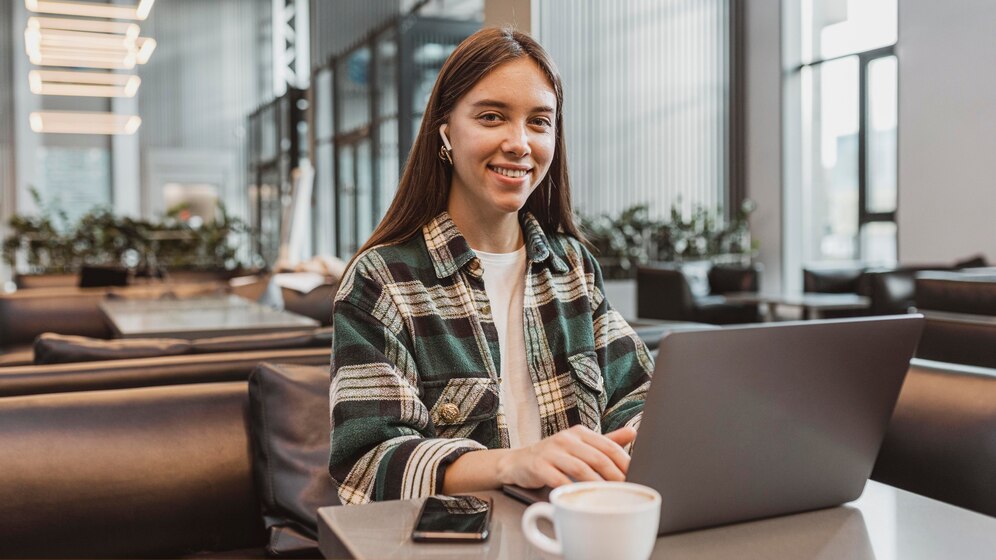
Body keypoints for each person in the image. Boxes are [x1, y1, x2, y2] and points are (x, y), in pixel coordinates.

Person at [329, 27, 653, 505]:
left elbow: (639, 396)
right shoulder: (381, 281)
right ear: (446, 133)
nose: (519, 143)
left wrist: (650, 434)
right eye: (491, 117)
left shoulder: (573, 268)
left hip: (578, 532)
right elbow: (368, 463)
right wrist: (512, 464)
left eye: (539, 122)